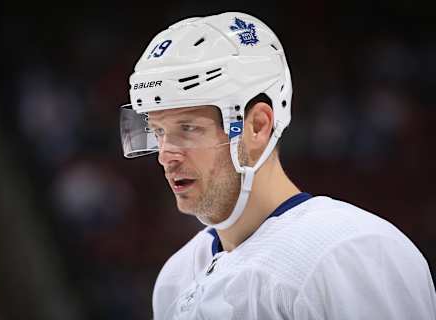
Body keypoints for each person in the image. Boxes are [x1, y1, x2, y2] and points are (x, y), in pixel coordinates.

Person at [120, 12, 436, 319]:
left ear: (257, 126)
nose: (165, 155)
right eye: (159, 132)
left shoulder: (352, 252)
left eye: (188, 129)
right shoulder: (175, 277)